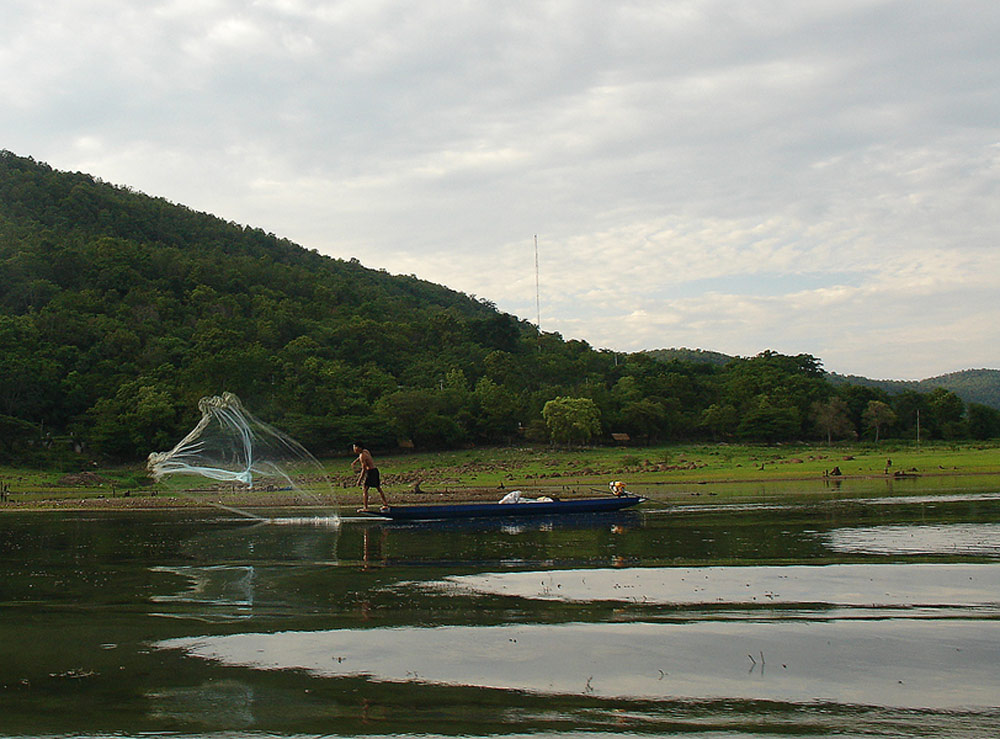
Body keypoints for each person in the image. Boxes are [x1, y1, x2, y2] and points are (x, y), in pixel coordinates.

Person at [351, 443, 389, 511]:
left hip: (371, 472)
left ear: (359, 448)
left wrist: (359, 480)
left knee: (365, 489)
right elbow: (361, 457)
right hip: (375, 470)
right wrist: (355, 461)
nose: (354, 449)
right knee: (378, 488)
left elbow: (364, 469)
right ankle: (385, 503)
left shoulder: (362, 455)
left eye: (355, 448)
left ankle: (365, 508)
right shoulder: (365, 451)